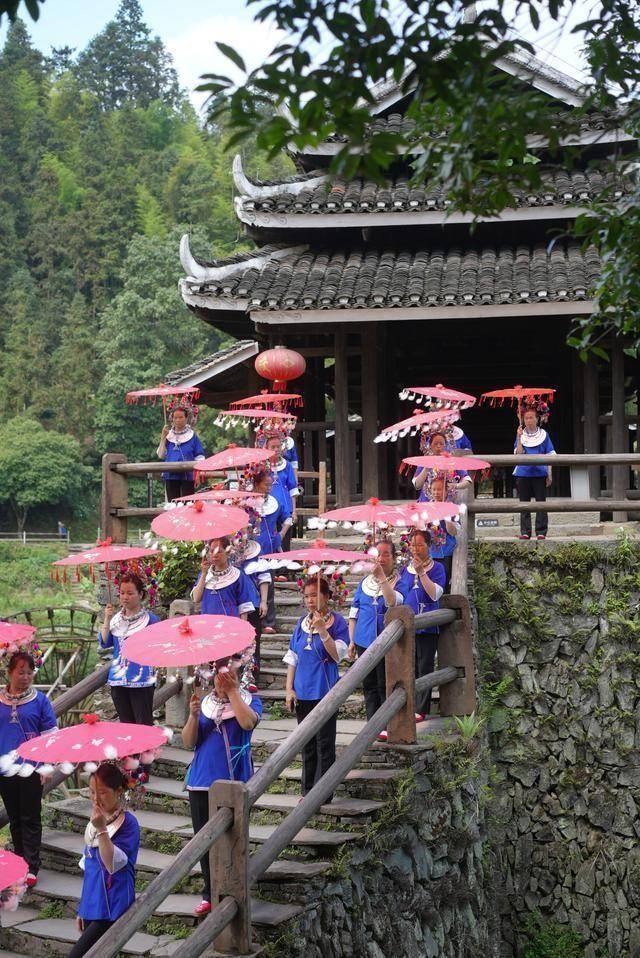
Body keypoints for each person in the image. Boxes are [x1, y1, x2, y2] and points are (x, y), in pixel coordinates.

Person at [182, 656, 261, 917]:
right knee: (203, 840)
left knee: (234, 839)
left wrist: (232, 692)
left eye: (228, 675)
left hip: (234, 782)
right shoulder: (204, 704)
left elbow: (247, 723)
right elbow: (188, 742)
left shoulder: (250, 700)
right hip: (201, 782)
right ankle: (209, 893)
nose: (222, 679)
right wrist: (193, 717)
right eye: (218, 675)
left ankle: (234, 891)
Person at [283, 577, 349, 798]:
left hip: (325, 690)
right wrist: (289, 689)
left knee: (324, 743)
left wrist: (323, 631)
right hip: (302, 691)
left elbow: (337, 655)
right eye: (306, 596)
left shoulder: (338, 623)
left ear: (326, 596)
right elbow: (292, 657)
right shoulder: (301, 624)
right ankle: (307, 791)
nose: (310, 600)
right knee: (307, 743)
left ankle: (323, 793)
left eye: (314, 595)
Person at [0, 651, 57, 888]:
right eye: (21, 672)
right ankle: (19, 863)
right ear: (9, 672)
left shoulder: (40, 701)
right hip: (5, 768)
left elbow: (50, 734)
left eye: (29, 672)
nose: (25, 677)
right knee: (15, 818)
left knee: (30, 816)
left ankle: (32, 867)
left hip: (32, 767)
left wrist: (47, 766)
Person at [71, 763, 140, 958]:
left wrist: (101, 829)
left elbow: (111, 864)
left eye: (102, 792)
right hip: (93, 901)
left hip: (113, 903)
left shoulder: (128, 824)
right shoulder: (95, 820)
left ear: (118, 791)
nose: (96, 798)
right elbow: (89, 868)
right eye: (92, 792)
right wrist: (83, 908)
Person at [347, 542, 408, 725]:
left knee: (384, 684)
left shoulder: (401, 582)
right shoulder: (364, 583)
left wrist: (382, 577)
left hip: (387, 642)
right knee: (369, 684)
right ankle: (372, 724)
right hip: (363, 640)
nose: (381, 558)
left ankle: (386, 724)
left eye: (386, 554)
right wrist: (351, 640)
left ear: (394, 558)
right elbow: (354, 613)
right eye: (377, 554)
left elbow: (392, 602)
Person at [398, 530, 447, 721]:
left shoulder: (438, 568)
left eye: (420, 545)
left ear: (429, 546)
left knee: (424, 665)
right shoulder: (404, 569)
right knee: (409, 667)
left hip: (428, 625)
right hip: (407, 625)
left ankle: (421, 708)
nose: (416, 549)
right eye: (413, 545)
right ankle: (409, 704)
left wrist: (421, 572)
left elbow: (435, 594)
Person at [100, 572, 160, 727]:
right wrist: (107, 618)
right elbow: (104, 643)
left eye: (130, 593)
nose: (125, 597)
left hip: (142, 679)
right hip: (118, 680)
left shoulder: (151, 621)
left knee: (143, 726)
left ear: (140, 594)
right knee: (125, 727)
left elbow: (158, 648)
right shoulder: (115, 620)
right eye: (122, 593)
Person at [251, 469, 293, 635]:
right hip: (251, 549)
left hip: (270, 549)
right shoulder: (247, 504)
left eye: (270, 485)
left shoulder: (275, 502)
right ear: (256, 484)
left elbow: (287, 518)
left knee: (268, 585)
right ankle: (253, 620)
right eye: (266, 485)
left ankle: (269, 621)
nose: (269, 488)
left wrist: (281, 534)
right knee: (252, 584)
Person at [514, 406, 555, 540]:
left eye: (531, 417)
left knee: (541, 503)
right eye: (526, 418)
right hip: (523, 473)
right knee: (524, 503)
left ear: (537, 419)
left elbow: (550, 454)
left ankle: (541, 531)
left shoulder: (544, 435)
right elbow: (519, 453)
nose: (528, 420)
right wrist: (519, 437)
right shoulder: (520, 433)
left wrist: (549, 474)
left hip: (540, 473)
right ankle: (525, 531)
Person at [191, 538, 256, 620]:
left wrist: (243, 626)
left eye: (219, 551)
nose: (214, 555)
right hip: (208, 623)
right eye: (212, 551)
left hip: (230, 623)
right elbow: (196, 598)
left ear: (228, 553)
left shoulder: (237, 576)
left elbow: (244, 607)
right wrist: (204, 574)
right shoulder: (204, 574)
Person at [156, 405, 205, 501]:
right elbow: (160, 455)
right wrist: (163, 437)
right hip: (171, 475)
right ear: (172, 419)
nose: (178, 420)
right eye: (175, 418)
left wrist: (198, 474)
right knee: (173, 503)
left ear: (186, 418)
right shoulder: (168, 435)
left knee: (187, 504)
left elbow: (200, 457)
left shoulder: (192, 436)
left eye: (181, 417)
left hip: (188, 476)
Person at [424, 475, 460, 593]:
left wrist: (447, 517)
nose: (436, 492)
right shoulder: (427, 507)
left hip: (446, 550)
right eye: (433, 489)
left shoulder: (452, 508)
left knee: (443, 582)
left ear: (446, 491)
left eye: (439, 489)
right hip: (430, 551)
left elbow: (453, 532)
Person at [412, 431, 472, 502]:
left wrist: (455, 485)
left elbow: (467, 480)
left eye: (441, 444)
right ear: (430, 445)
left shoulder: (452, 462)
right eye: (435, 444)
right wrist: (426, 468)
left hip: (447, 503)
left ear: (445, 445)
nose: (438, 446)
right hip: (427, 503)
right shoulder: (424, 462)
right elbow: (417, 485)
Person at [264, 433, 298, 550]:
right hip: (268, 509)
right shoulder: (262, 466)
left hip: (285, 509)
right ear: (266, 448)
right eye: (272, 447)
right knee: (270, 542)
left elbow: (293, 489)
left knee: (285, 544)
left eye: (278, 446)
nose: (276, 449)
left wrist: (294, 511)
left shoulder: (287, 465)